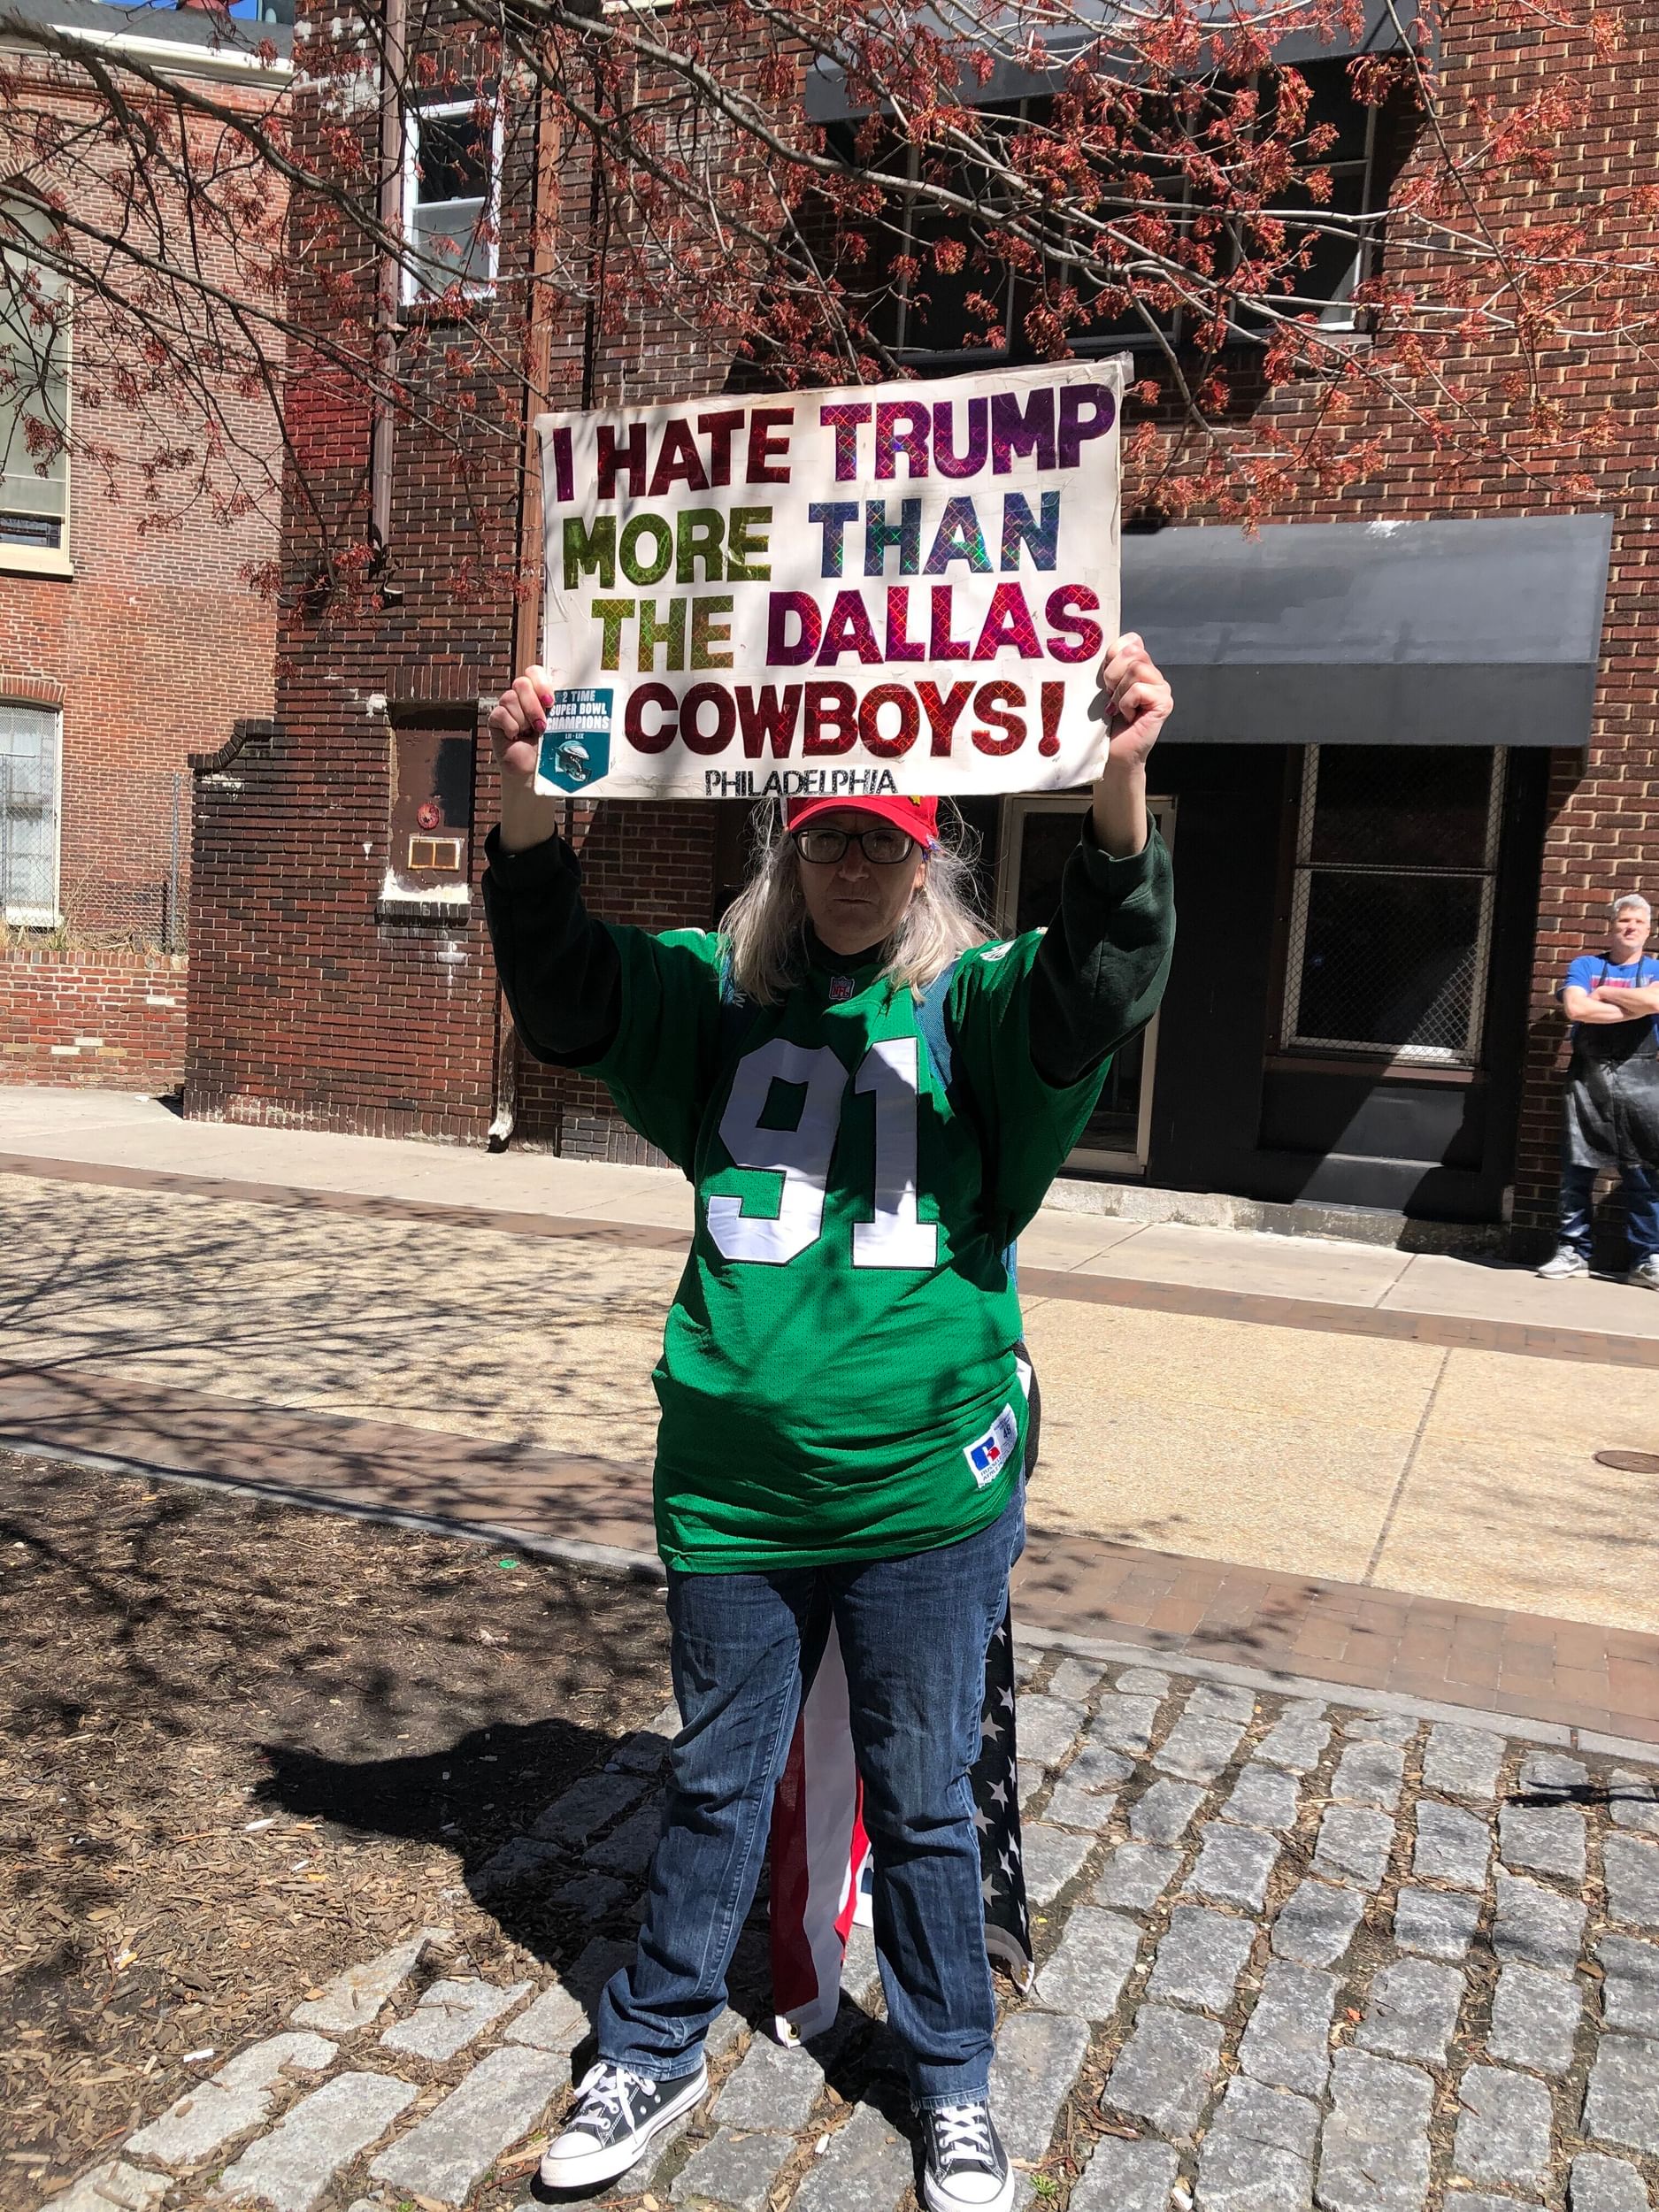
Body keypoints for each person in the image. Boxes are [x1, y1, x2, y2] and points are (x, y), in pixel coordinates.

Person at [482, 636, 1175, 2212]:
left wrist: (1119, 784)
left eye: (884, 836)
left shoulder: (974, 1013)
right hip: (734, 1490)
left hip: (923, 1486)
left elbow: (1095, 988)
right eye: (828, 833)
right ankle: (651, 2051)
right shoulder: (714, 1006)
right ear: (789, 848)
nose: (854, 860)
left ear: (925, 858)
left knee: (925, 1795)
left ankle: (950, 2085)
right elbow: (571, 988)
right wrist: (530, 799)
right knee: (721, 1780)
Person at [1538, 892, 1659, 1287]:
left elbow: (1654, 1002)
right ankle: (1572, 1251)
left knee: (1644, 1175)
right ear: (1613, 925)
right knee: (1577, 1170)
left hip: (1643, 1083)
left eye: (1638, 923)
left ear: (1648, 929)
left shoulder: (1656, 969)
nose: (1631, 928)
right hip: (1587, 1082)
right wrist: (1633, 1006)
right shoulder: (1585, 965)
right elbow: (1577, 1010)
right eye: (1624, 921)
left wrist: (1604, 994)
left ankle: (1647, 1259)